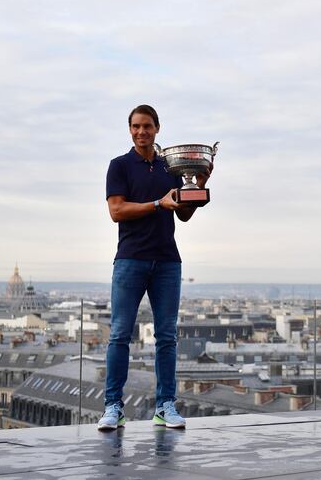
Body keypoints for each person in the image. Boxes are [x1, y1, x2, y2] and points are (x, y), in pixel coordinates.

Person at [97, 104, 210, 430]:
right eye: (136, 126)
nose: (141, 132)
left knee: (166, 337)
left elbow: (183, 215)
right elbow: (116, 211)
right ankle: (113, 406)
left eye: (147, 126)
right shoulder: (119, 166)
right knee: (119, 335)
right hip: (131, 257)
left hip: (167, 260)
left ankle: (165, 406)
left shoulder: (170, 167)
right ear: (130, 130)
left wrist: (195, 189)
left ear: (157, 129)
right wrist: (158, 203)